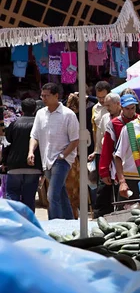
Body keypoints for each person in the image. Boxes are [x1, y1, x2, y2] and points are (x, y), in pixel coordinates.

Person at [29, 83, 79, 220]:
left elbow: (75, 140)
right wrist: (31, 152)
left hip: (61, 160)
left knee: (52, 196)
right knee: (61, 193)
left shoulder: (68, 115)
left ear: (56, 96)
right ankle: (70, 222)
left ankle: (54, 226)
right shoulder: (40, 114)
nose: (43, 98)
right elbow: (34, 136)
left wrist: (63, 156)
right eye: (42, 95)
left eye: (46, 95)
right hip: (47, 161)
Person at [4, 98, 42, 212]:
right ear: (35, 109)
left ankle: (14, 222)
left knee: (12, 195)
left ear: (22, 109)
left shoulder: (14, 123)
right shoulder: (38, 124)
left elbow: (8, 141)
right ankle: (28, 224)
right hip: (33, 166)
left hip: (14, 165)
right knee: (29, 198)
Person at [93, 93, 123, 217]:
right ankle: (101, 214)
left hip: (120, 159)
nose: (107, 108)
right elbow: (100, 136)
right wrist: (96, 151)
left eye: (109, 105)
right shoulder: (105, 117)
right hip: (105, 156)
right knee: (103, 188)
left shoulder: (125, 117)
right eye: (105, 106)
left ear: (118, 104)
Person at [90, 81, 111, 164]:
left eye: (104, 97)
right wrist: (95, 150)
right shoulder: (95, 108)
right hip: (100, 152)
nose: (101, 100)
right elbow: (94, 131)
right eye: (99, 97)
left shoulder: (117, 106)